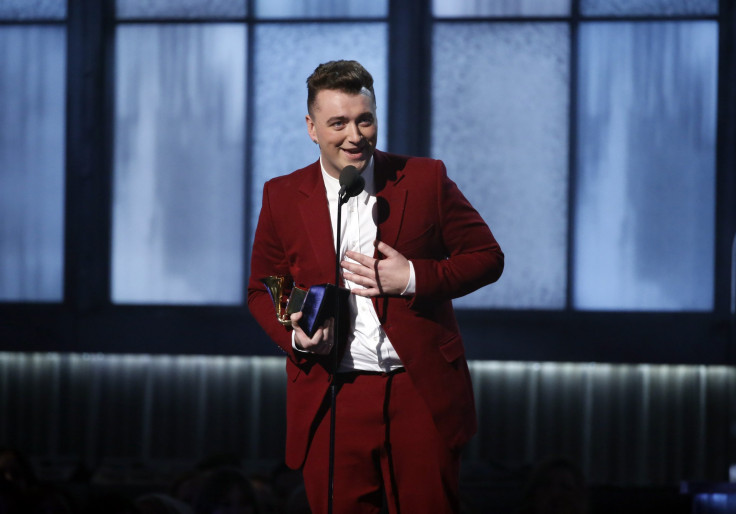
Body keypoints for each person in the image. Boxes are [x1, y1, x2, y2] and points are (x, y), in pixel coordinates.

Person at [247, 59, 504, 513]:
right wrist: (296, 330)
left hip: (419, 388)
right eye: (338, 123)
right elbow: (267, 283)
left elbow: (487, 258)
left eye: (365, 119)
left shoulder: (425, 179)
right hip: (333, 392)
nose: (355, 135)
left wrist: (414, 278)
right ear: (311, 127)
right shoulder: (281, 195)